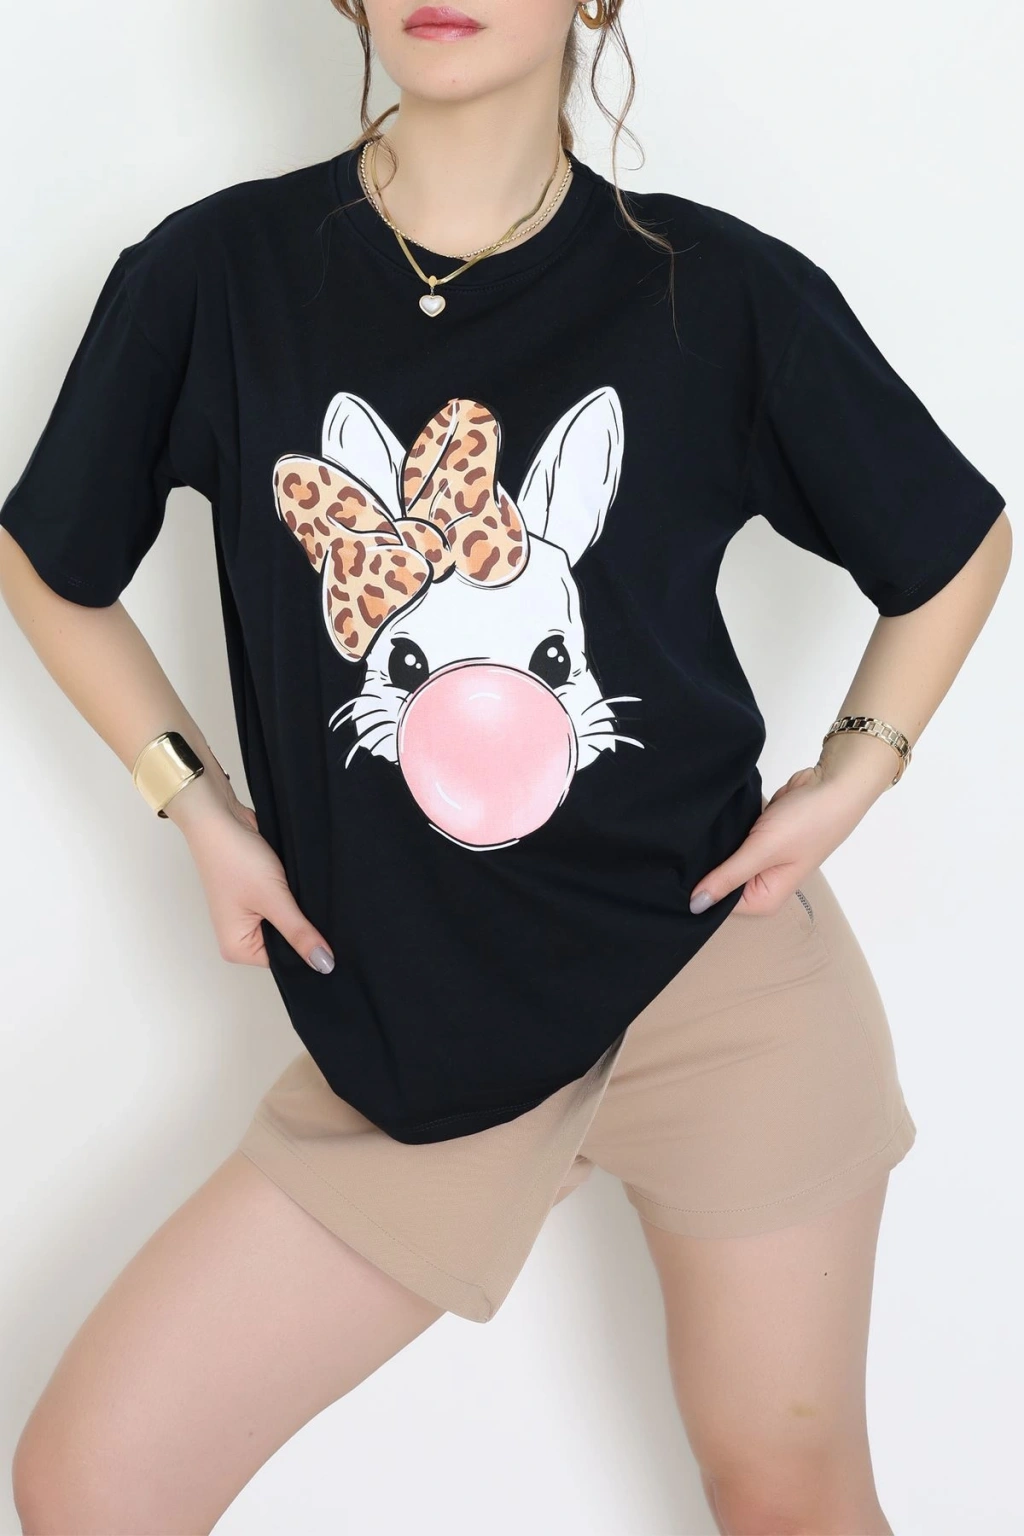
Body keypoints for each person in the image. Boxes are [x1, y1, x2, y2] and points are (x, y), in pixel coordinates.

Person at [0, 1, 1010, 1531]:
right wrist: (193, 804)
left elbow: (952, 544)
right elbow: (49, 560)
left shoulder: (716, 292)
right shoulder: (215, 277)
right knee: (93, 1484)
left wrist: (854, 768)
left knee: (791, 1490)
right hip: (410, 1030)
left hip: (716, 981)